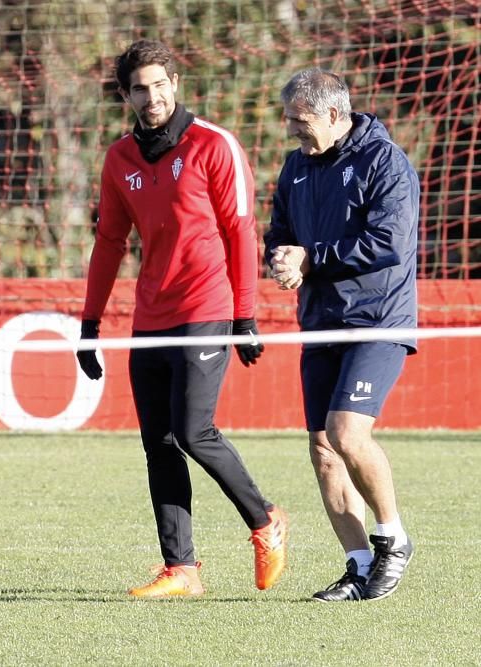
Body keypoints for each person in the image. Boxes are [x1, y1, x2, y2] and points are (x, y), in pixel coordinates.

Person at [76, 39, 287, 599]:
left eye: (161, 84)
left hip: (207, 308)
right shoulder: (120, 158)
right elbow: (108, 243)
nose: (153, 96)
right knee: (159, 442)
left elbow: (241, 230)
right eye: (140, 88)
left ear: (176, 83)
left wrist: (246, 313)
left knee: (195, 432)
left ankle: (266, 522)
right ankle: (182, 569)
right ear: (126, 95)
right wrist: (89, 325)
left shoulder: (213, 144)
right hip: (150, 316)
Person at [264, 68, 418, 602]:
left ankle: (393, 539)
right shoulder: (295, 167)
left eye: (300, 121)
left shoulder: (385, 162)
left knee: (349, 433)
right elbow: (280, 231)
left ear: (335, 114)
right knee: (325, 450)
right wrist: (281, 258)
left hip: (378, 320)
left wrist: (312, 259)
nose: (292, 132)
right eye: (289, 121)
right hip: (320, 321)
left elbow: (387, 242)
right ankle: (357, 567)